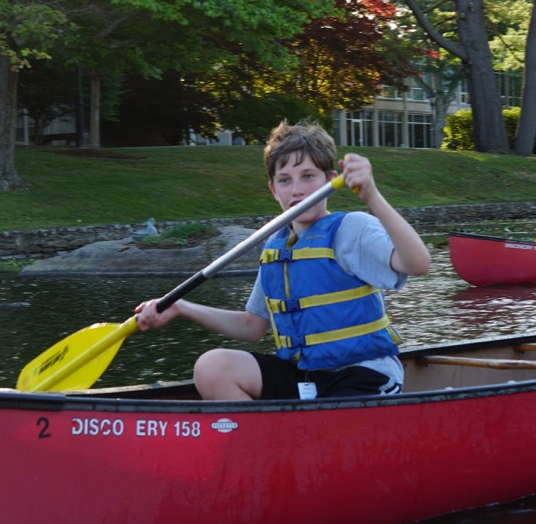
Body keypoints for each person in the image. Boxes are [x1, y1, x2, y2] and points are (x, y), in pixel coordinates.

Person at [135, 121, 431, 401]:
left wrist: (372, 195)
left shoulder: (352, 229)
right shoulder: (276, 245)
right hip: (302, 378)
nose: (297, 190)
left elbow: (418, 264)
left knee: (328, 418)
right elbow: (252, 327)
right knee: (212, 367)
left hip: (362, 374)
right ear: (274, 190)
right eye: (285, 180)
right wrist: (182, 307)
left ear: (331, 180)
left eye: (308, 176)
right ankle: (261, 444)